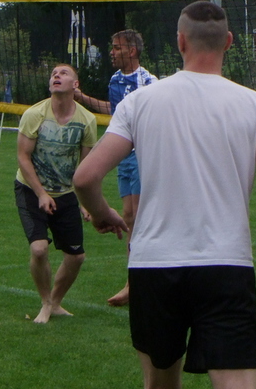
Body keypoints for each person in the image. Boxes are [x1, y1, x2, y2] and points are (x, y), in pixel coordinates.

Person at [74, 1, 256, 389]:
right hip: (226, 266)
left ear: (180, 41)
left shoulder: (139, 102)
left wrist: (102, 212)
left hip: (154, 265)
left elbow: (85, 177)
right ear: (228, 41)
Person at [74, 29, 157, 306]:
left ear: (131, 51)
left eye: (117, 48)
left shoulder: (148, 82)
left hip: (143, 153)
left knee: (142, 217)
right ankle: (133, 281)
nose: (112, 52)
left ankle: (141, 282)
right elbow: (114, 112)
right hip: (124, 155)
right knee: (129, 216)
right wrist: (81, 97)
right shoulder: (115, 80)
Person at [14, 63, 98, 321]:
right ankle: (45, 302)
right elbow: (23, 157)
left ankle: (56, 302)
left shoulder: (87, 120)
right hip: (31, 189)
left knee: (76, 257)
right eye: (53, 74)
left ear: (75, 84)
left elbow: (85, 167)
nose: (56, 76)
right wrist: (41, 193)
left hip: (65, 192)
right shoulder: (35, 114)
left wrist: (86, 203)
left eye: (63, 73)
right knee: (39, 249)